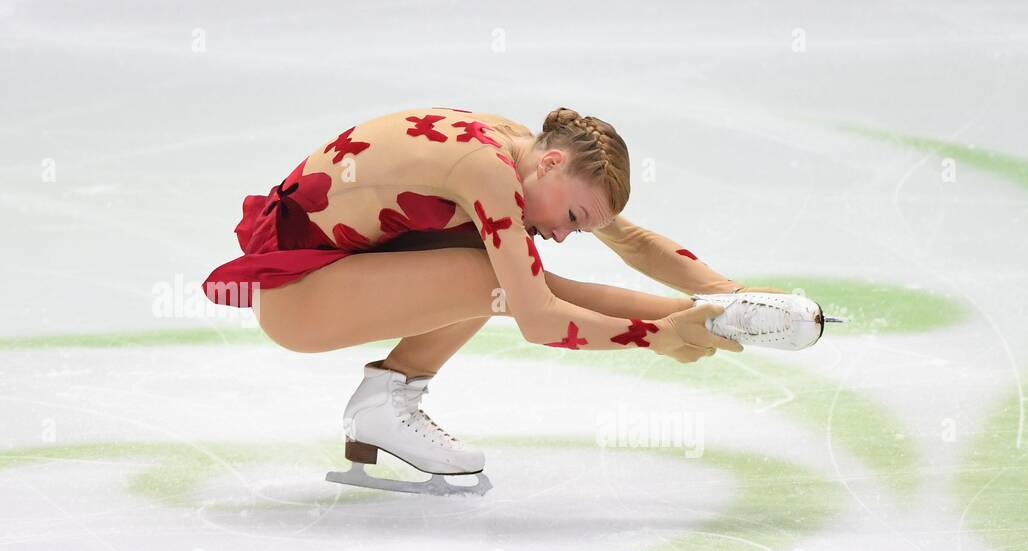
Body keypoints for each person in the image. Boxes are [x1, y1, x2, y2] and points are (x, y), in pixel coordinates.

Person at [202, 105, 780, 492]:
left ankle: (384, 405)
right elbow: (540, 316)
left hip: (342, 275)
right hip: (299, 298)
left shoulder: (522, 151)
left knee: (499, 271)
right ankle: (386, 402)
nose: (562, 233)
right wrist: (667, 333)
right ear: (552, 163)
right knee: (499, 281)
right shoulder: (488, 171)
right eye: (573, 218)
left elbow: (632, 241)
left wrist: (729, 296)